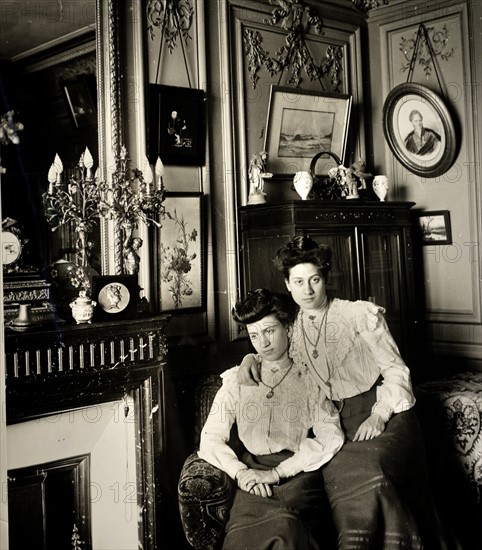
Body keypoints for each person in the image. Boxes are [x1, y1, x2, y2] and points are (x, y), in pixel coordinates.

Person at [238, 236, 460, 549]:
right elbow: (270, 350)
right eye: (298, 282)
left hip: (382, 412)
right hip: (334, 425)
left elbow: (396, 370)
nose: (308, 290)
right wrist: (251, 357)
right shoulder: (289, 326)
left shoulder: (359, 315)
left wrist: (380, 416)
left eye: (314, 280)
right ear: (287, 285)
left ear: (325, 278)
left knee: (375, 476)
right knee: (342, 490)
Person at [198, 288, 344, 550]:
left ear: (288, 328)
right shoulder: (236, 380)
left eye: (269, 331)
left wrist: (278, 473)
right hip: (252, 478)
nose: (262, 342)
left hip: (296, 476)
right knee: (243, 540)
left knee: (286, 532)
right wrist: (241, 473)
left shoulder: (310, 378)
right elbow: (210, 439)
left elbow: (331, 436)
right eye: (254, 335)